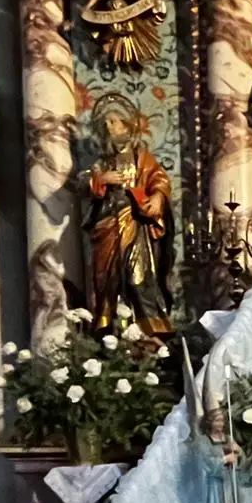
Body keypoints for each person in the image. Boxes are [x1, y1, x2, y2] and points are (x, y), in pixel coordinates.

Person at [85, 93, 174, 334]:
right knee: (107, 280)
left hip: (135, 225)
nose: (109, 127)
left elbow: (160, 180)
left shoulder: (142, 158)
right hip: (106, 225)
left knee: (137, 278)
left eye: (113, 121)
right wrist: (101, 180)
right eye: (106, 123)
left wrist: (156, 197)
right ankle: (108, 331)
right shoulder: (102, 162)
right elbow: (82, 184)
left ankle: (152, 332)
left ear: (127, 124)